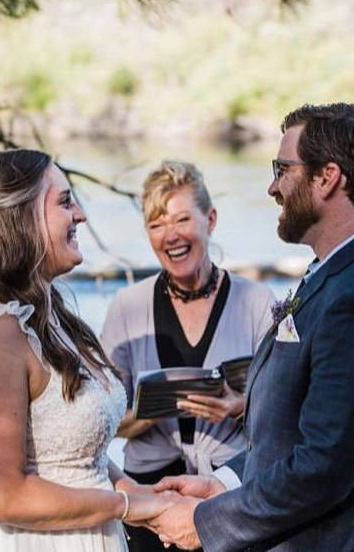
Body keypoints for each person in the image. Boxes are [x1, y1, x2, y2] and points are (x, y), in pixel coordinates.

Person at [148, 103, 354, 551]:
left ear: (328, 177)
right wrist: (226, 483)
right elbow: (298, 435)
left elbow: (323, 470)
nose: (272, 187)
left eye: (282, 169)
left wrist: (207, 522)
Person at [0, 149, 174, 551]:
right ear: (22, 217)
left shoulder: (50, 318)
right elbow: (1, 496)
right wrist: (126, 505)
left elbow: (79, 457)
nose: (80, 214)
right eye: (64, 202)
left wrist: (143, 494)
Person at [100, 160, 275, 551]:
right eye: (157, 225)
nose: (170, 236)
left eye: (181, 219)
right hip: (147, 500)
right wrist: (151, 412)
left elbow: (287, 414)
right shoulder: (126, 308)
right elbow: (101, 424)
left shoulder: (258, 303)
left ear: (210, 220)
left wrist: (242, 405)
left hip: (230, 497)